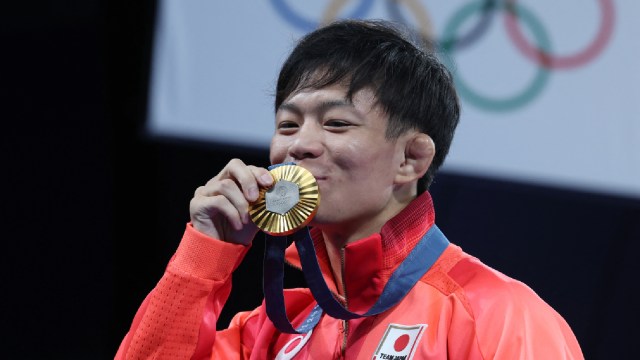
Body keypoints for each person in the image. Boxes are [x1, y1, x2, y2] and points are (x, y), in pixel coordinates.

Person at [115, 19, 583, 359]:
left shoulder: (496, 315)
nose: (299, 146)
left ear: (410, 159)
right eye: (288, 124)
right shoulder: (270, 331)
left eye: (337, 124)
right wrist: (204, 256)